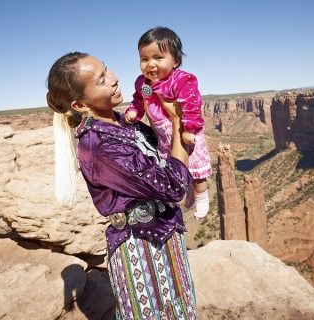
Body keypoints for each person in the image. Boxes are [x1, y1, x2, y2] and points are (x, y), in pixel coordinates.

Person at [46, 52, 199, 319]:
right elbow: (173, 186)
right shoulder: (99, 145)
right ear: (80, 104)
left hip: (166, 238)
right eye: (102, 79)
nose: (115, 78)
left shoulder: (125, 123)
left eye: (107, 70)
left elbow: (164, 153)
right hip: (142, 250)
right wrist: (178, 122)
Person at [125, 26, 212, 220]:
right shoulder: (142, 83)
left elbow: (192, 105)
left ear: (176, 61)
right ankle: (185, 189)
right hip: (163, 135)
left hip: (184, 132)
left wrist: (189, 129)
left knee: (197, 170)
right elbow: (138, 100)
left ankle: (200, 196)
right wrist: (133, 112)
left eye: (158, 57)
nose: (151, 64)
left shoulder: (181, 80)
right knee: (172, 168)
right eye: (145, 59)